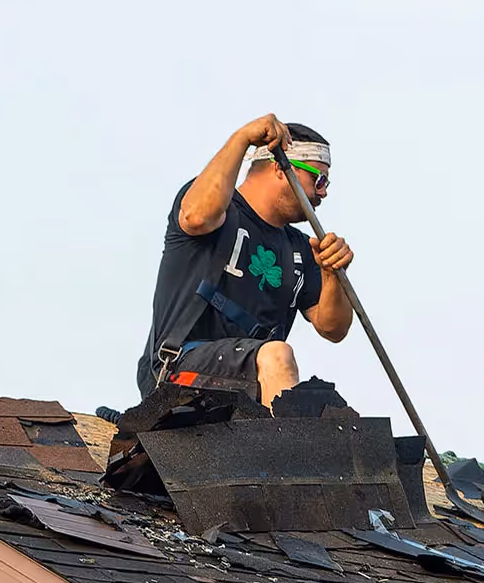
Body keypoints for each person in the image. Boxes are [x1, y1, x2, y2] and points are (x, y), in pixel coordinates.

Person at [135, 115, 353, 418]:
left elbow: (333, 328)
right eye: (318, 179)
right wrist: (242, 139)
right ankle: (287, 461)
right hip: (177, 374)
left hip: (245, 387)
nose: (324, 192)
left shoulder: (301, 249)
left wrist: (332, 275)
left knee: (327, 409)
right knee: (277, 354)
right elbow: (196, 217)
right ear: (281, 167)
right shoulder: (217, 207)